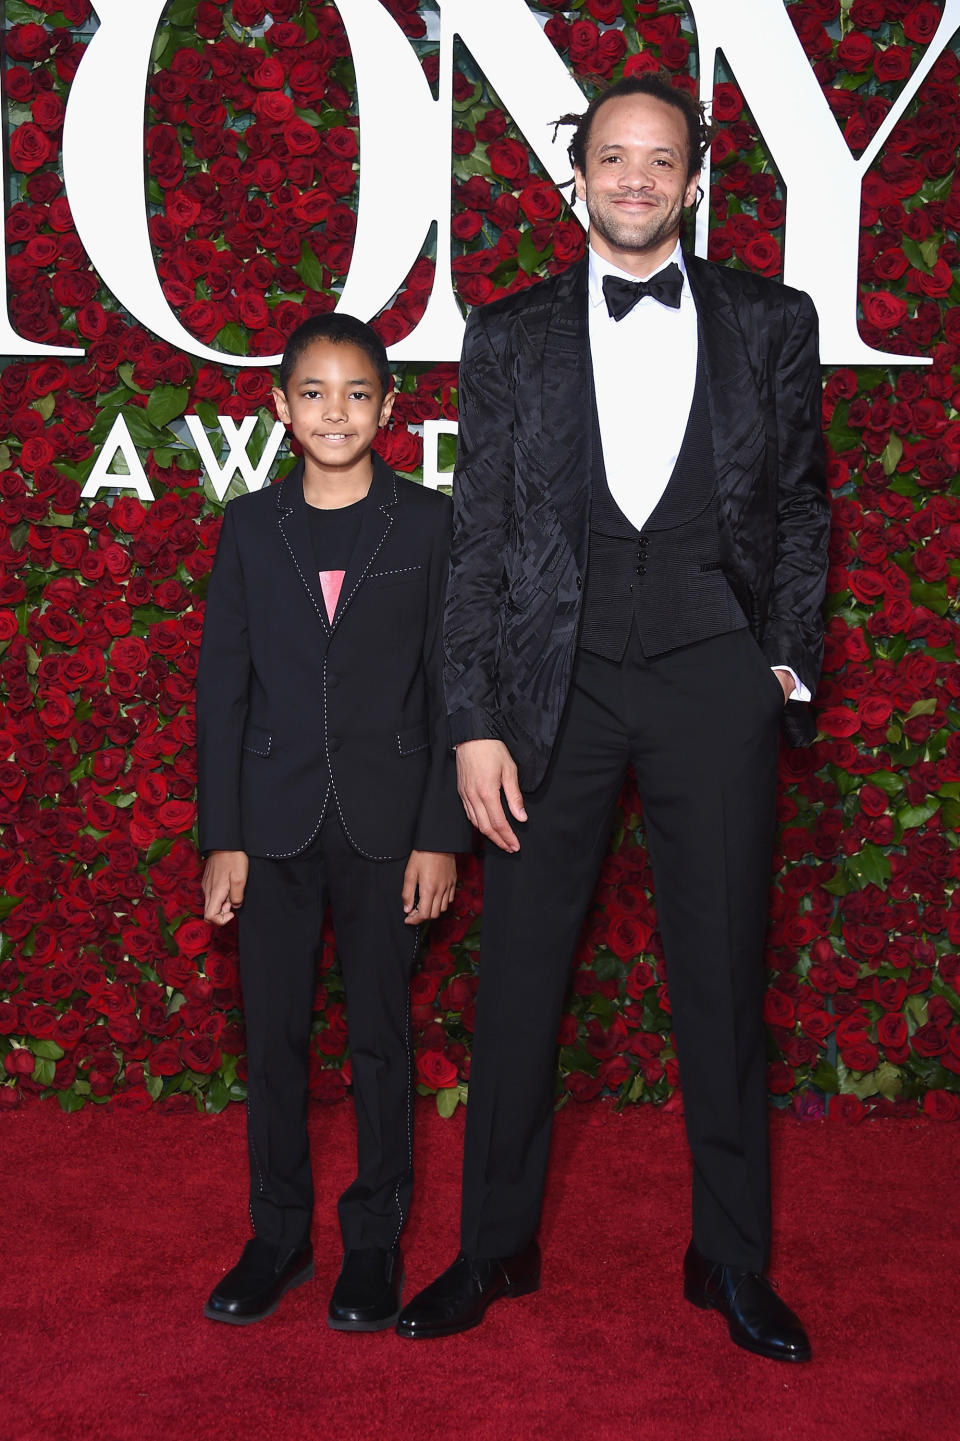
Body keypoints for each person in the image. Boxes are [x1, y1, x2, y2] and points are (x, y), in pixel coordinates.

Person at [396, 74, 829, 1362]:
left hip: (715, 676)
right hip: (552, 690)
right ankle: (491, 1247)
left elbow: (802, 505)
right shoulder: (511, 333)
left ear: (694, 181)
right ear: (574, 175)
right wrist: (475, 718)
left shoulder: (771, 319)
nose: (636, 178)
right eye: (613, 157)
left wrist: (785, 666)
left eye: (661, 159)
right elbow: (478, 540)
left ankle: (731, 1259)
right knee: (521, 969)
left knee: (724, 974)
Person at [196, 312, 470, 1329]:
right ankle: (276, 1239)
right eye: (313, 393)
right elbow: (221, 689)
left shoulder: (430, 525)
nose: (336, 411)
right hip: (267, 829)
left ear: (391, 407)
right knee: (272, 1040)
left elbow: (454, 689)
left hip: (389, 829)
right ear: (279, 408)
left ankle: (372, 1247)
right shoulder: (248, 528)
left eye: (357, 393)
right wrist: (221, 834)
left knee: (380, 1044)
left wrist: (441, 830)